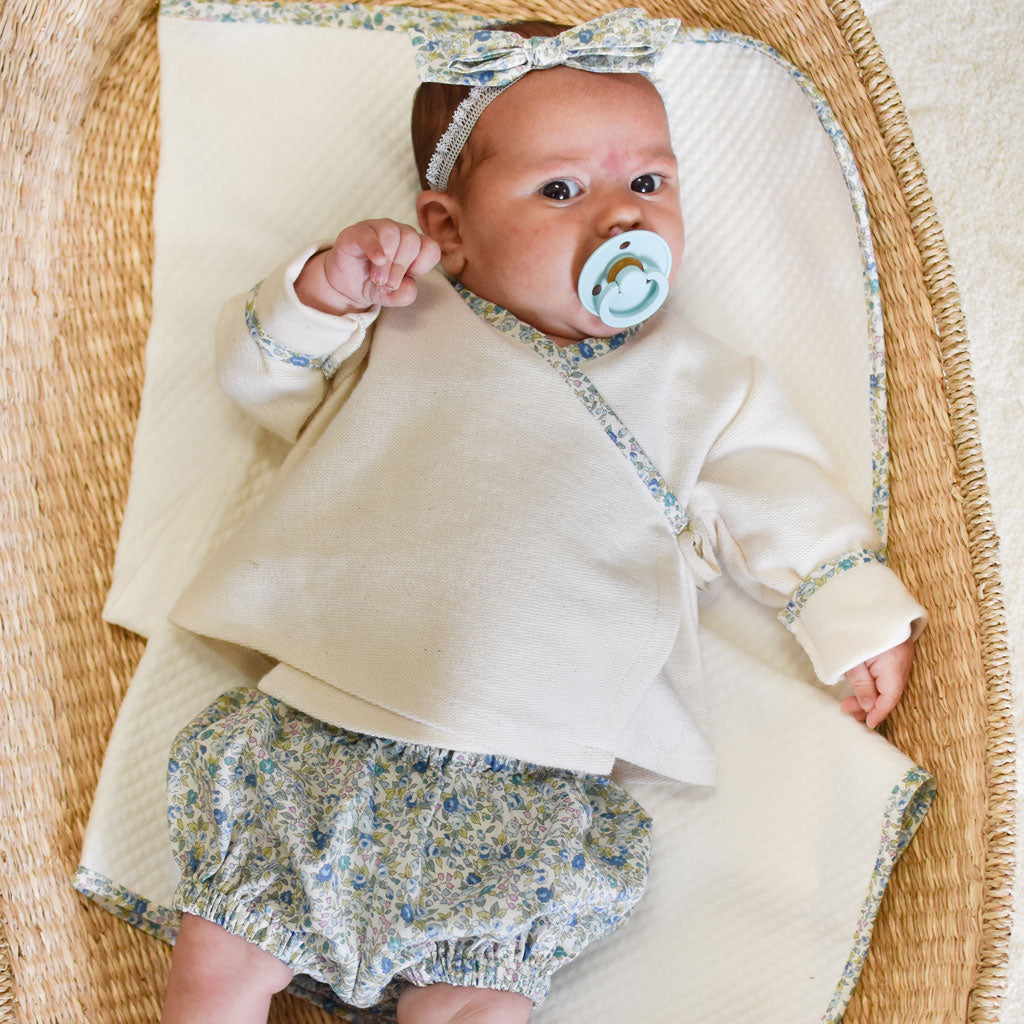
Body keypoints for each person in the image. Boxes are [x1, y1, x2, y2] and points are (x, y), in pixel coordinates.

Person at [160, 10, 925, 1024]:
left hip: (531, 770)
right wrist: (323, 291)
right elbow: (268, 382)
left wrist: (849, 612)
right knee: (221, 961)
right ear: (447, 229)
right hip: (331, 719)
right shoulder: (406, 315)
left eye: (647, 182)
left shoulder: (705, 383)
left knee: (477, 998)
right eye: (560, 189)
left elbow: (777, 491)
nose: (620, 219)